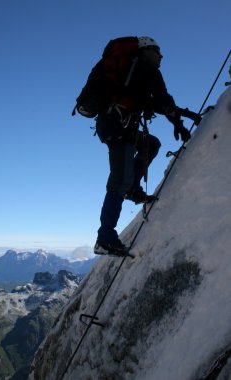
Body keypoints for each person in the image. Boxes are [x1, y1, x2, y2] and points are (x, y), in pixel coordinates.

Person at [93, 36, 193, 256]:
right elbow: (162, 101)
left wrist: (180, 119)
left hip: (113, 125)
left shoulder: (136, 71)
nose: (161, 57)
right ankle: (105, 238)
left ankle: (132, 189)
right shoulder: (145, 71)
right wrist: (179, 121)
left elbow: (159, 102)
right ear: (148, 51)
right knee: (119, 179)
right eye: (158, 52)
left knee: (151, 144)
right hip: (119, 129)